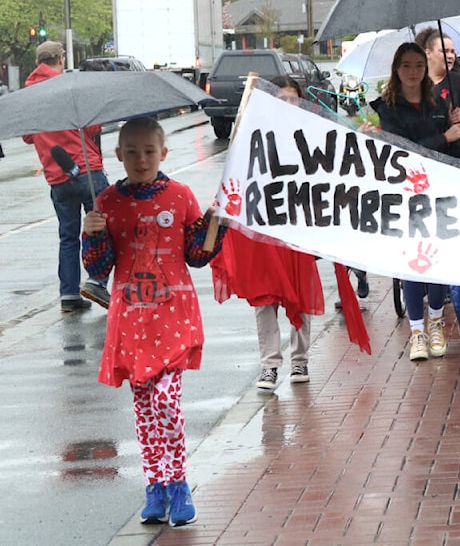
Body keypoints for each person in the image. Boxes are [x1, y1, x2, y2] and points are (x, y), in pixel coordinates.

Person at [81, 117, 226, 527]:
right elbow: (99, 266)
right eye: (132, 152)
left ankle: (178, 480)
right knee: (144, 406)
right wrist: (92, 233)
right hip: (130, 319)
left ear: (163, 153)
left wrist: (218, 221)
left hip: (172, 316)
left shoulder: (179, 196)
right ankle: (155, 485)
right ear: (118, 155)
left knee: (166, 400)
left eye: (149, 151)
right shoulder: (106, 202)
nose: (141, 160)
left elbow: (197, 254)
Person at [211, 75, 325, 389]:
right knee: (264, 297)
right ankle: (269, 365)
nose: (288, 104)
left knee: (300, 292)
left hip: (297, 227)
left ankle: (300, 361)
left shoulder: (312, 135)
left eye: (293, 99)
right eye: (281, 98)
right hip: (262, 228)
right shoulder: (251, 135)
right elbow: (238, 178)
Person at [372, 43, 460, 360]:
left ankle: (436, 323)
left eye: (419, 65)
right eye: (407, 66)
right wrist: (444, 137)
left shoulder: (439, 101)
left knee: (435, 262)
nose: (413, 72)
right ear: (396, 70)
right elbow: (405, 151)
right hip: (405, 195)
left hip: (438, 192)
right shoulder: (387, 108)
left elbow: (452, 151)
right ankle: (417, 332)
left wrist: (455, 126)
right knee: (411, 263)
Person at [23, 40, 111, 312]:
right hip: (86, 168)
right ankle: (97, 279)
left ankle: (69, 295)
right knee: (105, 225)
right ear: (60, 59)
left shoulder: (29, 93)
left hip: (57, 176)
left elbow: (28, 136)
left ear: (38, 62)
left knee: (69, 236)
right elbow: (93, 125)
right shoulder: (66, 87)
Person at [422, 29, 460, 111]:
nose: (450, 56)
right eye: (444, 51)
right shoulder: (417, 82)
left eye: (452, 52)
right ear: (428, 53)